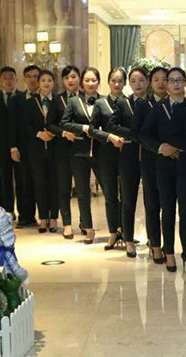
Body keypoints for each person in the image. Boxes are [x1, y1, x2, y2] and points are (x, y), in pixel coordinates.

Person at [141, 66, 186, 277]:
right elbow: (144, 134)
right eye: (172, 81)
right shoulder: (159, 108)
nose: (176, 84)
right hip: (166, 167)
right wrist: (161, 147)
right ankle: (169, 251)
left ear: (185, 83)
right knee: (168, 210)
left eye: (180, 80)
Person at [60, 67, 105, 244]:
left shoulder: (104, 100)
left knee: (109, 191)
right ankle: (88, 228)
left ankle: (117, 228)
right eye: (87, 80)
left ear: (98, 81)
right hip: (79, 152)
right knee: (82, 192)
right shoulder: (74, 101)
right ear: (82, 82)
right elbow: (64, 123)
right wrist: (82, 128)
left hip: (101, 151)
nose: (90, 83)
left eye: (94, 80)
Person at [109, 66, 150, 258]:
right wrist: (134, 135)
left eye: (141, 80)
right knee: (128, 200)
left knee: (151, 201)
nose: (138, 84)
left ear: (147, 82)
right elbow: (112, 125)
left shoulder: (153, 103)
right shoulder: (123, 103)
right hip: (128, 157)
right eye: (133, 81)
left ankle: (153, 240)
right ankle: (128, 240)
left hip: (150, 156)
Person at [131, 66, 168, 264]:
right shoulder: (144, 105)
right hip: (150, 160)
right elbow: (136, 134)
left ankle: (169, 245)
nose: (161, 83)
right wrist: (157, 147)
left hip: (172, 161)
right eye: (157, 79)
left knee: (169, 206)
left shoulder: (175, 103)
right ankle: (155, 245)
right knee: (152, 204)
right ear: (151, 83)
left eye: (165, 79)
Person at [91, 68, 127, 251]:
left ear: (125, 82)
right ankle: (113, 231)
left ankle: (126, 231)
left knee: (127, 195)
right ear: (108, 82)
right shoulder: (100, 103)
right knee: (110, 194)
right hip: (106, 155)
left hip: (126, 154)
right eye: (114, 80)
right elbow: (92, 129)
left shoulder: (129, 102)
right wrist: (109, 137)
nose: (117, 84)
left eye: (120, 80)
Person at [22, 70, 61, 234]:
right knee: (39, 183)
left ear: (53, 83)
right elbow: (25, 125)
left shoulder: (58, 101)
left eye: (49, 80)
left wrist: (54, 133)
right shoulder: (31, 102)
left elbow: (62, 122)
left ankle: (54, 217)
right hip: (36, 150)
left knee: (54, 183)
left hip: (55, 149)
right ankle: (43, 217)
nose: (46, 83)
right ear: (38, 83)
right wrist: (39, 134)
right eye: (43, 80)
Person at [9, 64, 40, 227]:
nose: (33, 79)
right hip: (23, 148)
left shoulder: (45, 97)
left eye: (36, 76)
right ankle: (25, 216)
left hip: (42, 148)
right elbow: (12, 125)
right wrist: (13, 147)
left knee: (40, 183)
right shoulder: (17, 99)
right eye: (29, 76)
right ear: (24, 79)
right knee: (23, 183)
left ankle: (43, 216)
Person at [0, 67, 21, 214]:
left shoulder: (22, 97)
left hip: (20, 146)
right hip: (1, 147)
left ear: (16, 79)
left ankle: (25, 213)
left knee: (22, 181)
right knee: (4, 180)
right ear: (0, 80)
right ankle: (7, 211)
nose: (8, 81)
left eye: (11, 77)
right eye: (5, 78)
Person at [54, 66, 81, 240]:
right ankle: (67, 224)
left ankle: (85, 222)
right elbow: (50, 124)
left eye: (73, 76)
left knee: (82, 189)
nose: (70, 80)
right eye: (66, 78)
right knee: (64, 187)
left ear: (79, 78)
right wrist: (63, 133)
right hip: (63, 149)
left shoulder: (86, 98)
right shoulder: (57, 100)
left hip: (82, 149)